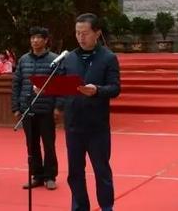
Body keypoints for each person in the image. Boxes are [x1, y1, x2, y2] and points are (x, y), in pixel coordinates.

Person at [56, 13, 120, 211]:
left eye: (84, 33)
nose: (80, 37)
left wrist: (97, 90)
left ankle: (107, 207)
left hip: (97, 126)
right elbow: (61, 85)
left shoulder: (108, 58)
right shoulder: (69, 57)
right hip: (73, 124)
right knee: (75, 172)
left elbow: (115, 88)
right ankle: (79, 207)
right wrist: (52, 95)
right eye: (77, 33)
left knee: (101, 171)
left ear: (97, 33)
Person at [12, 26, 59, 190]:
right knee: (32, 145)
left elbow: (59, 85)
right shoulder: (24, 59)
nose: (35, 40)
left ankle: (50, 176)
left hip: (46, 109)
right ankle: (37, 175)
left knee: (48, 144)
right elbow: (17, 83)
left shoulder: (55, 60)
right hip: (27, 108)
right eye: (32, 38)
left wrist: (58, 107)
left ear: (46, 40)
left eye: (39, 38)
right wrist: (16, 107)